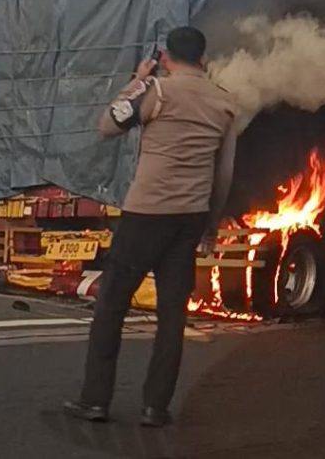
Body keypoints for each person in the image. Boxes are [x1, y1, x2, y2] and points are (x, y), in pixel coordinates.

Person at [64, 26, 237, 427]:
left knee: (111, 305)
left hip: (146, 215)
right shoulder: (225, 103)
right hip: (190, 218)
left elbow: (108, 125)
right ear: (204, 60)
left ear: (164, 57)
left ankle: (95, 400)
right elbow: (224, 174)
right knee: (171, 316)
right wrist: (210, 226)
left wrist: (138, 79)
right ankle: (155, 407)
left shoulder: (156, 91)